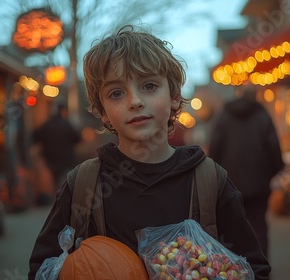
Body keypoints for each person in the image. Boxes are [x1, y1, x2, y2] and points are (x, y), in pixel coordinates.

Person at [28, 25, 270, 279]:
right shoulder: (83, 186)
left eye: (150, 86)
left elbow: (253, 268)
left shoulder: (210, 182)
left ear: (174, 96)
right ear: (102, 111)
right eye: (116, 93)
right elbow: (41, 268)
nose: (134, 101)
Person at [208, 85, 285, 257]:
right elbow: (274, 149)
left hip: (230, 184)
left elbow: (214, 148)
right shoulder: (262, 115)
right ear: (255, 95)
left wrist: (219, 175)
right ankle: (260, 270)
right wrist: (272, 172)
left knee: (233, 227)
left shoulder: (224, 116)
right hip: (259, 184)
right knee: (258, 225)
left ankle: (238, 268)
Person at [33, 103, 81, 189]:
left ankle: (56, 197)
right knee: (66, 181)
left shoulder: (46, 124)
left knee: (55, 181)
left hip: (50, 158)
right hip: (66, 159)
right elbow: (77, 138)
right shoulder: (67, 124)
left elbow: (35, 137)